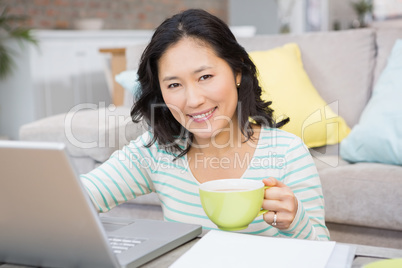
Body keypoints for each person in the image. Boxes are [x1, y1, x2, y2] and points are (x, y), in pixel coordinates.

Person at [80, 9, 330, 240]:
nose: (194, 100)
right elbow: (78, 198)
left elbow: (325, 253)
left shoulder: (288, 152)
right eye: (174, 85)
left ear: (238, 71)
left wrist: (296, 221)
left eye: (205, 77)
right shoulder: (158, 151)